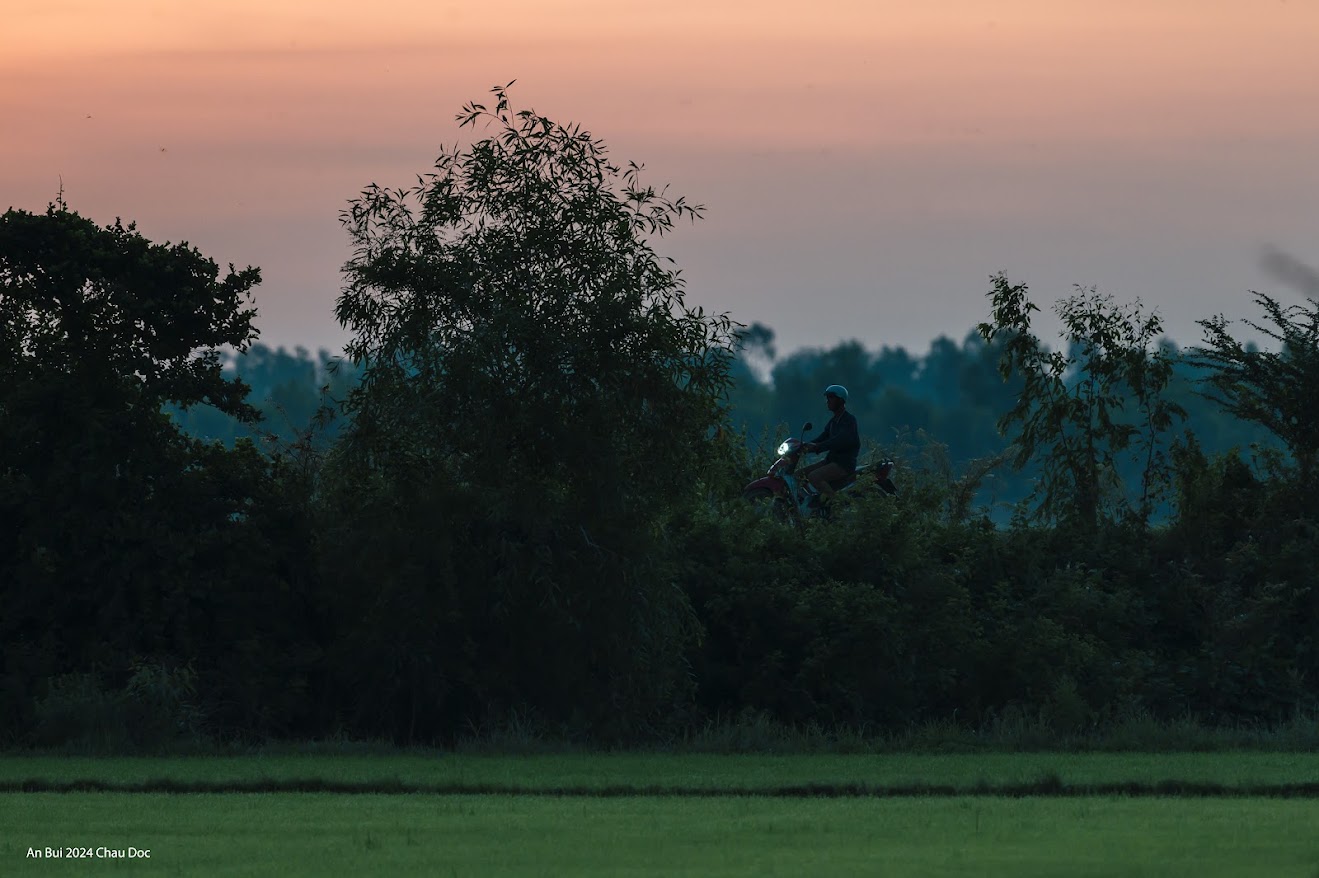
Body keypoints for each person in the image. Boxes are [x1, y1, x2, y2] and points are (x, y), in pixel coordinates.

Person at [801, 384, 859, 503]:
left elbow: (838, 440)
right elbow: (823, 437)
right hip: (831, 461)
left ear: (841, 400)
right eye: (827, 398)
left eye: (831, 397)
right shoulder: (833, 422)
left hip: (843, 464)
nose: (828, 401)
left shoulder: (849, 420)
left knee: (814, 476)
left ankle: (836, 506)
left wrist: (817, 447)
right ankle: (811, 504)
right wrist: (804, 446)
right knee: (799, 475)